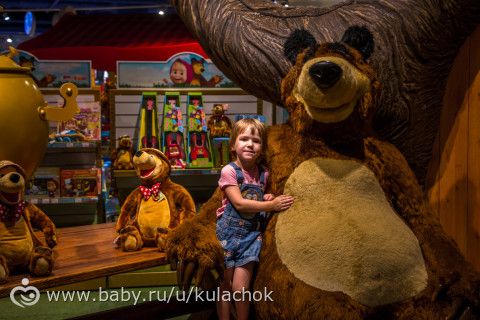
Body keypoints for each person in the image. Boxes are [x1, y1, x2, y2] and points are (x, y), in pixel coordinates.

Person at [216, 118, 294, 320]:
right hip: (227, 235)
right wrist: (271, 204)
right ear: (233, 145)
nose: (250, 144)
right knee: (225, 287)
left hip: (251, 237)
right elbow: (240, 203)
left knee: (240, 289)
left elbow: (255, 197)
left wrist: (265, 196)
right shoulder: (229, 171)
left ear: (262, 147)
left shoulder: (264, 174)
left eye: (256, 140)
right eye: (244, 139)